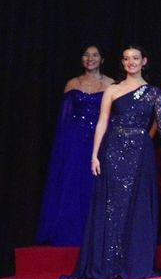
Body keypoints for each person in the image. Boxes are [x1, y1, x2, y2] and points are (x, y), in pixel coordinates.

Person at [63, 46, 161, 279]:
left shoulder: (153, 92)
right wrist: (94, 154)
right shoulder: (112, 90)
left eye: (135, 58)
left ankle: (133, 262)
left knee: (137, 206)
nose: (131, 62)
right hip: (113, 150)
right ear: (122, 63)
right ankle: (108, 263)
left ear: (144, 61)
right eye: (126, 59)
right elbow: (102, 122)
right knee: (112, 206)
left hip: (140, 153)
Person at [37, 45, 113, 246]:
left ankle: (98, 233)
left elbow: (114, 117)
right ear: (81, 59)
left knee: (97, 182)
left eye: (95, 55)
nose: (90, 58)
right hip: (75, 140)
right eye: (86, 55)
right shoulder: (72, 84)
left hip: (101, 139)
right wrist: (64, 147)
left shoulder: (111, 84)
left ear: (102, 59)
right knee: (74, 182)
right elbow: (65, 118)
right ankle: (72, 231)